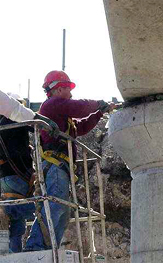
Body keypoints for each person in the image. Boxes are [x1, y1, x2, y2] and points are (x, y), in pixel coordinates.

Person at [25, 70, 118, 251]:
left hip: (60, 167)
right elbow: (80, 108)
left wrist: (99, 113)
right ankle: (35, 248)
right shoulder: (52, 104)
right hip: (55, 165)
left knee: (63, 211)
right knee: (56, 206)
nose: (71, 93)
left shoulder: (60, 114)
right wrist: (97, 103)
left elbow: (80, 128)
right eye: (68, 88)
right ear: (59, 89)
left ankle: (48, 249)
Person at [0, 93, 37, 253]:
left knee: (10, 220)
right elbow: (35, 125)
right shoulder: (16, 118)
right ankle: (13, 254)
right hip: (17, 176)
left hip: (4, 178)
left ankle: (7, 254)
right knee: (20, 216)